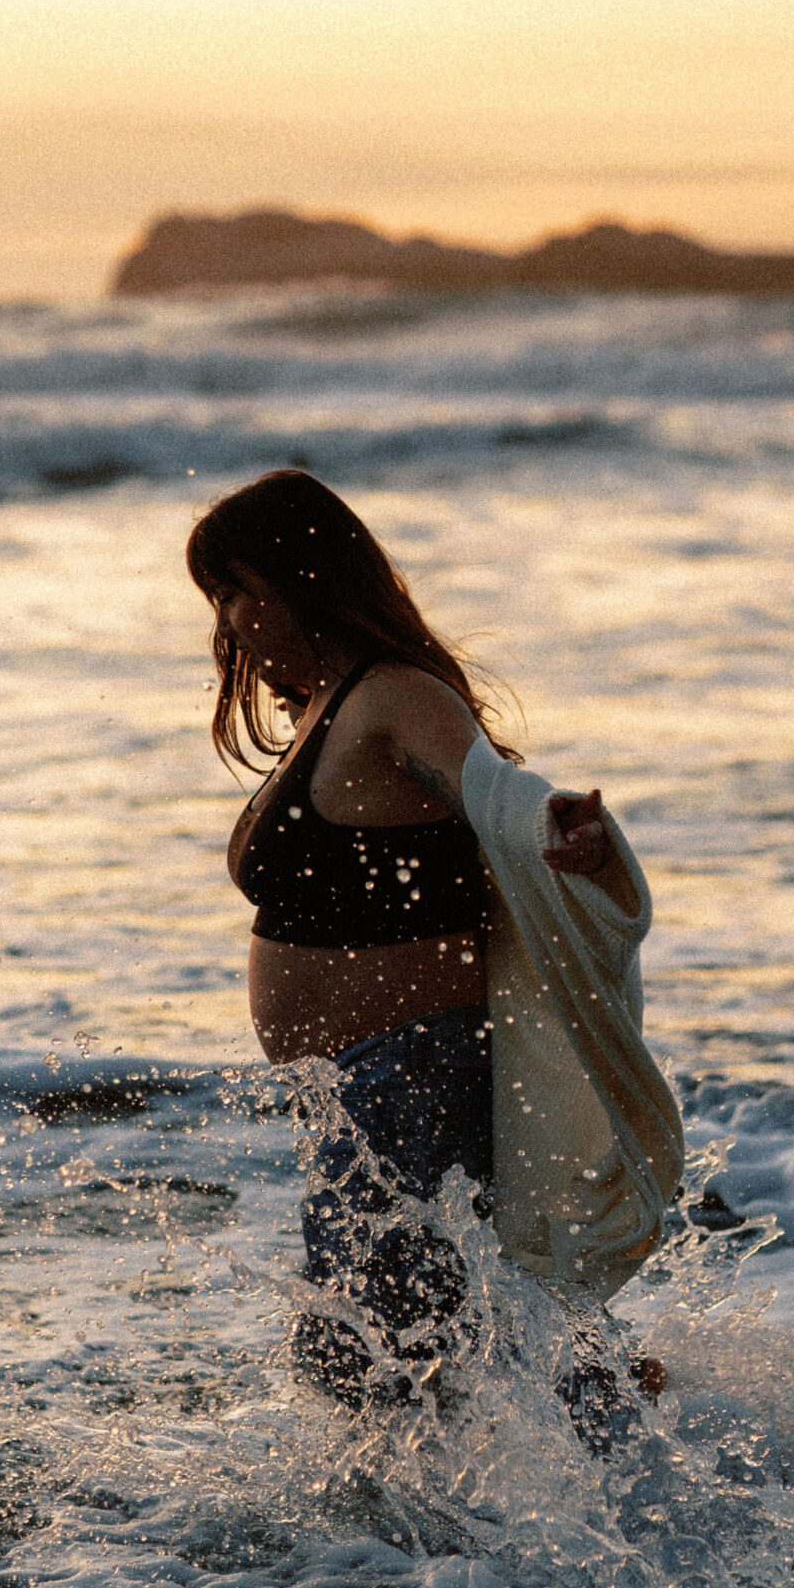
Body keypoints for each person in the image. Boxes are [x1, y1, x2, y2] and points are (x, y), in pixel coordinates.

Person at [186, 468, 683, 1444]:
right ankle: (586, 1483)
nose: (233, 619)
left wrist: (563, 836)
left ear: (307, 578)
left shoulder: (393, 697)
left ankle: (552, 1536)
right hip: (358, 1087)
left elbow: (492, 789)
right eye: (220, 599)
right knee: (421, 1338)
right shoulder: (320, 713)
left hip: (411, 1073)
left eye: (245, 590)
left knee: (389, 1353)